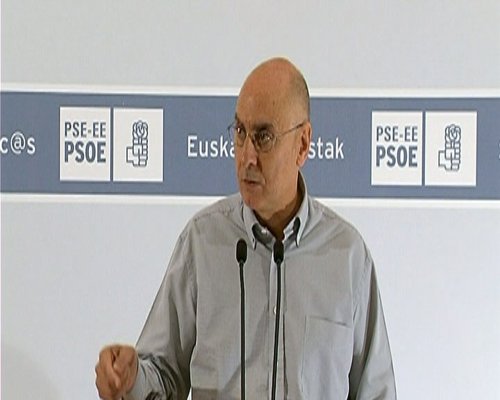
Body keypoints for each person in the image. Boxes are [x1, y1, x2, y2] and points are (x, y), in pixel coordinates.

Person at [95, 57, 397, 399]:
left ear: (302, 144)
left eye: (263, 136)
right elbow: (162, 377)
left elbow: (377, 392)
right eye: (240, 132)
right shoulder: (202, 242)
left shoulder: (347, 257)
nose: (246, 156)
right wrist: (131, 380)